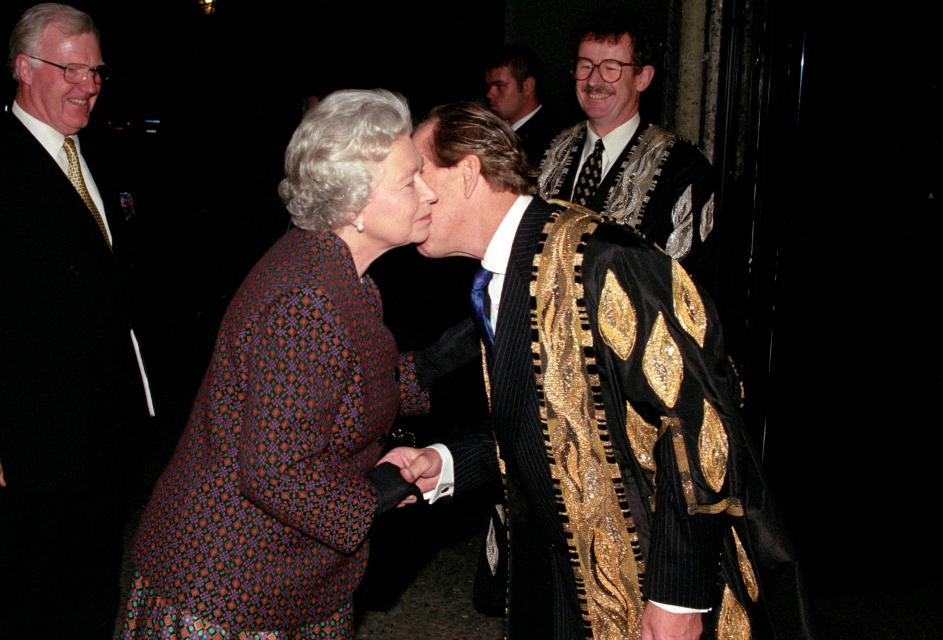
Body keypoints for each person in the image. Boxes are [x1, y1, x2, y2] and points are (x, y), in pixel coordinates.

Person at [383, 103, 813, 639]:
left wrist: (678, 595)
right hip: (559, 580)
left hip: (643, 578)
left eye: (419, 176)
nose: (412, 197)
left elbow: (699, 421)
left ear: (468, 173)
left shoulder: (605, 259)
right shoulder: (504, 271)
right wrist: (444, 463)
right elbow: (548, 426)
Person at [119, 89, 436, 637]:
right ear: (356, 206)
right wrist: (381, 494)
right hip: (231, 582)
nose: (428, 193)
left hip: (280, 569)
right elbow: (275, 470)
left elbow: (347, 386)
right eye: (410, 181)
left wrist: (442, 361)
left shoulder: (339, 270)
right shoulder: (306, 302)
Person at [0, 3, 154, 635]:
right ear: (23, 68)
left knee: (91, 594)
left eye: (95, 71)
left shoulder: (100, 160)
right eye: (71, 69)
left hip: (103, 435)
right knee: (28, 600)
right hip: (28, 443)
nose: (88, 85)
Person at [538, 9, 717, 286]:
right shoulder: (546, 151)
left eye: (610, 68)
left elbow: (684, 287)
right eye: (586, 66)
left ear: (642, 78)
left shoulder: (683, 169)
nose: (594, 81)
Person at [484, 43, 560, 166]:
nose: (489, 94)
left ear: (527, 86)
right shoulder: (494, 130)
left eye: (499, 86)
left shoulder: (553, 140)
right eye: (490, 86)